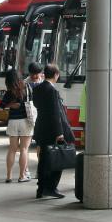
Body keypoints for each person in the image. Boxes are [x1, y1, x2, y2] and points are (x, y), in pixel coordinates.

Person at [32, 64, 74, 199]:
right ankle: (51, 187)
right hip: (52, 130)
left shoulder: (37, 89)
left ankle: (41, 188)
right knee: (57, 159)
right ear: (56, 75)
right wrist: (59, 133)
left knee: (43, 159)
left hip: (41, 128)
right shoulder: (52, 91)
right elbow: (55, 113)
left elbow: (38, 107)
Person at [0, 68, 34, 183]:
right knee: (24, 149)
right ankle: (21, 176)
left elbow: (1, 106)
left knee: (12, 150)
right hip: (26, 121)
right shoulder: (27, 88)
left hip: (13, 122)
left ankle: (9, 176)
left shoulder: (9, 91)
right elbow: (33, 102)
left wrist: (11, 104)